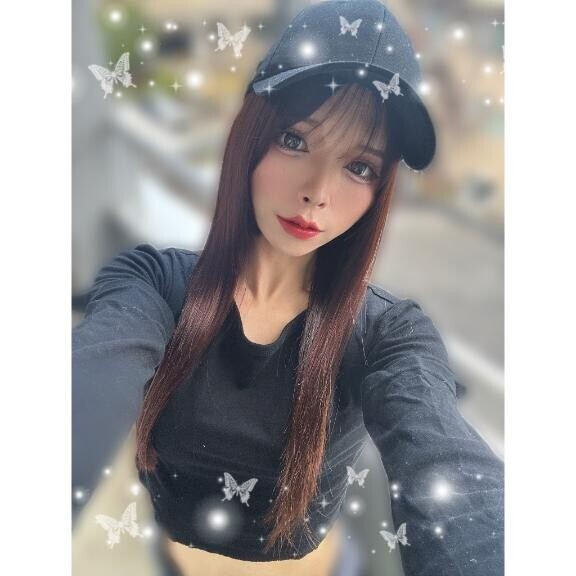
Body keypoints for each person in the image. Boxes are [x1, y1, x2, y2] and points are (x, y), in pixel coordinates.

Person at [72, 1, 504, 575]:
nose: (317, 192)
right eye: (295, 140)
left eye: (360, 167)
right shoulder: (153, 284)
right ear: (250, 137)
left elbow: (448, 461)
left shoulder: (388, 333)